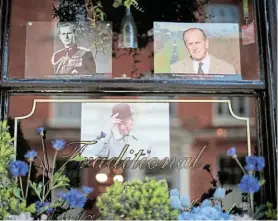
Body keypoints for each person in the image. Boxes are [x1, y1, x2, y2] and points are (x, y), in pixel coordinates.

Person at [81, 103, 152, 159]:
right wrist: (107, 129)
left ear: (132, 120)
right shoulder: (108, 141)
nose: (122, 128)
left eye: (125, 123)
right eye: (118, 124)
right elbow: (90, 153)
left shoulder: (144, 141)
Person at [170, 28, 237, 75]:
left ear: (206, 43)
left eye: (197, 42)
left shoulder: (227, 68)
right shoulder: (175, 69)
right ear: (186, 47)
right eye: (190, 44)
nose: (194, 48)